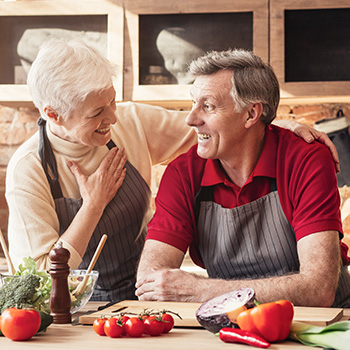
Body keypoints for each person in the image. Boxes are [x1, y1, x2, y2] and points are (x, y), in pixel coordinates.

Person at [5, 39, 338, 302]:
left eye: (112, 102)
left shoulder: (133, 122)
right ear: (54, 114)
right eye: (96, 113)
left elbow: (220, 132)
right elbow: (39, 282)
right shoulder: (28, 170)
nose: (114, 117)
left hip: (138, 301)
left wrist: (278, 123)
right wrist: (93, 205)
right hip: (76, 306)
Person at [135, 48, 350, 308]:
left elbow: (318, 289)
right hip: (228, 325)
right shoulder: (183, 173)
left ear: (251, 114)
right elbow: (149, 283)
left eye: (208, 106)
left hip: (319, 327)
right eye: (193, 103)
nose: (191, 119)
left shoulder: (305, 160)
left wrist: (200, 290)